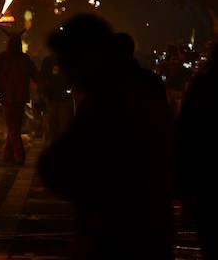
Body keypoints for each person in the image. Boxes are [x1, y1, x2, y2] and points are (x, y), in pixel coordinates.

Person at [38, 15, 174, 260]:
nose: (65, 69)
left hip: (118, 235)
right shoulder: (129, 89)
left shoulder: (109, 101)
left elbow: (58, 166)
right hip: (141, 228)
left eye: (68, 60)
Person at [177, 42, 218, 259]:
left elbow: (186, 135)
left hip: (206, 177)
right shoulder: (201, 86)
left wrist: (185, 193)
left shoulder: (201, 86)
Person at [0, 31, 37, 164]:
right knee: (14, 128)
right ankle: (9, 155)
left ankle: (18, 156)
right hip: (18, 98)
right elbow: (36, 76)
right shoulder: (24, 59)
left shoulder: (1, 58)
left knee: (13, 128)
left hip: (8, 98)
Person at [38, 54, 73, 143]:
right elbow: (43, 77)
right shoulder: (49, 61)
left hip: (61, 98)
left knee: (58, 124)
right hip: (53, 98)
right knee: (54, 124)